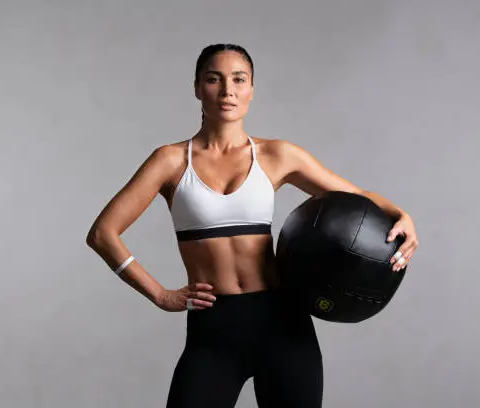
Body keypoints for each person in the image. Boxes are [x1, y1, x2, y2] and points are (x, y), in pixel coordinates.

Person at [86, 44, 418, 408]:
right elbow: (103, 233)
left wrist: (402, 215)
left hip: (283, 323)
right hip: (214, 328)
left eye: (238, 80)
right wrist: (160, 295)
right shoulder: (169, 161)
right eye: (214, 79)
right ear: (197, 87)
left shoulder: (277, 155)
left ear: (251, 90)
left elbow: (357, 196)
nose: (227, 90)